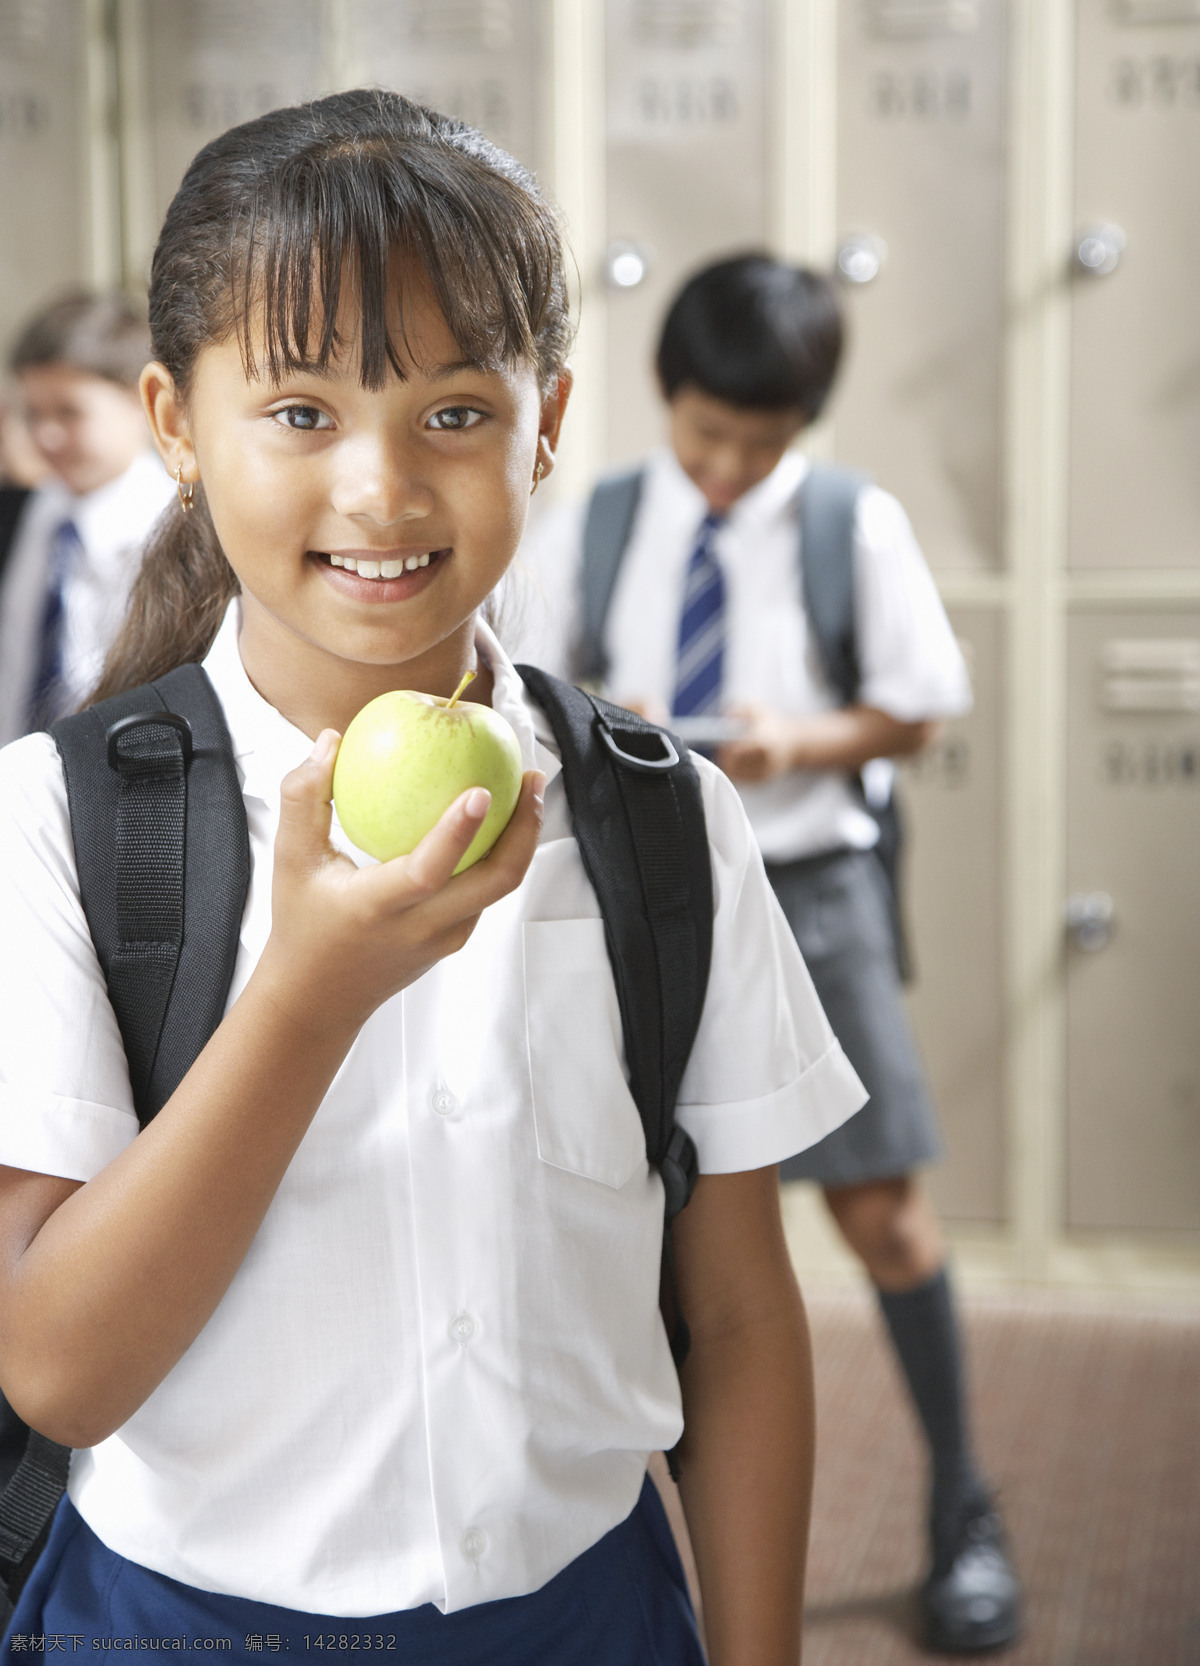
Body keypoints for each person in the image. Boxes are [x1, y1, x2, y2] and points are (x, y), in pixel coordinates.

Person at [0, 95, 869, 1664]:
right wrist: (314, 990)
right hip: (181, 1628)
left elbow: (739, 1317)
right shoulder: (52, 823)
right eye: (301, 412)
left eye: (456, 413)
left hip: (593, 1617)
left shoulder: (669, 822)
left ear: (545, 422)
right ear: (177, 425)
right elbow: (59, 1369)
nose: (385, 490)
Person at [517, 254, 1023, 1655]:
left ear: (806, 418)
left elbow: (917, 708)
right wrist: (629, 729)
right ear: (665, 396)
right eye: (707, 433)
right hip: (649, 886)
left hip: (813, 883)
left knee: (880, 1216)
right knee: (660, 1225)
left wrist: (794, 744)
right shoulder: (598, 519)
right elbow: (532, 688)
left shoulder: (853, 524)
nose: (733, 464)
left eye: (765, 438)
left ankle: (962, 1509)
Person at [0, 291, 173, 746]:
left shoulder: (171, 530)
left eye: (69, 412)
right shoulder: (46, 509)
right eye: (33, 414)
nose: (46, 436)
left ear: (143, 405)